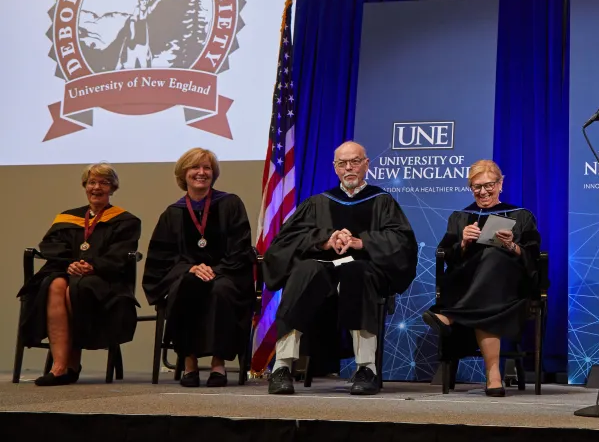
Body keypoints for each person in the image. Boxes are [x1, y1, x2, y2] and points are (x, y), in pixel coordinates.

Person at [263, 141, 417, 396]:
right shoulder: (318, 203)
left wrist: (362, 241)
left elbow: (402, 244)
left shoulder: (383, 202)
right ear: (335, 168)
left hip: (363, 270)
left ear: (366, 164)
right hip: (321, 269)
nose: (349, 168)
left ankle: (366, 369)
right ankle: (282, 367)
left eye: (355, 161)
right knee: (303, 272)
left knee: (357, 273)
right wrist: (324, 240)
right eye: (342, 163)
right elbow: (284, 244)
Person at [422, 160, 541, 397]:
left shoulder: (520, 215)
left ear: (501, 184)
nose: (483, 191)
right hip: (468, 285)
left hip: (509, 287)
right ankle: (493, 375)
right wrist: (463, 243)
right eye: (477, 187)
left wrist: (512, 246)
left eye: (489, 185)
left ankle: (451, 316)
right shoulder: (460, 217)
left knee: (494, 255)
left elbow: (534, 257)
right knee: (487, 296)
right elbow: (446, 255)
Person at [17, 163, 142, 386]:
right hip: (66, 271)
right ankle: (59, 366)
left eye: (104, 182)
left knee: (76, 289)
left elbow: (121, 254)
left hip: (105, 279)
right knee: (54, 284)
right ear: (85, 186)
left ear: (112, 188)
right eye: (92, 182)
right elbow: (50, 245)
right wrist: (71, 264)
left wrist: (92, 266)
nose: (97, 187)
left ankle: (72, 364)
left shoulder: (126, 221)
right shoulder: (67, 218)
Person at [143, 148, 254, 388]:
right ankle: (189, 363)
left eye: (207, 168)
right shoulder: (173, 213)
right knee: (185, 286)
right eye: (195, 167)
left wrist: (215, 269)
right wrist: (190, 268)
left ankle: (218, 365)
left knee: (220, 291)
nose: (201, 173)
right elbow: (161, 258)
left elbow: (241, 247)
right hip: (187, 275)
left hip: (225, 273)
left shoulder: (230, 204)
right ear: (184, 173)